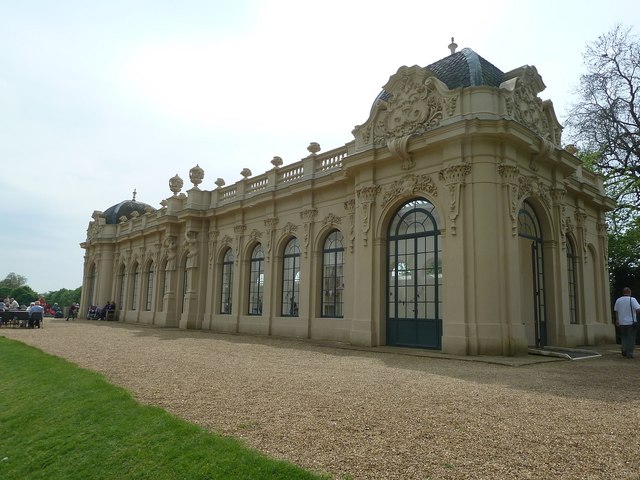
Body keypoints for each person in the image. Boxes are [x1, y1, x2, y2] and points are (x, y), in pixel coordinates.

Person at [614, 287, 640, 359]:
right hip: (631, 322)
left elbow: (616, 311)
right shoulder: (632, 299)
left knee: (624, 337)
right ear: (630, 292)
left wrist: (617, 320)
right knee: (631, 337)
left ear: (623, 292)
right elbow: (638, 309)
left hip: (622, 322)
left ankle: (624, 349)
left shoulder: (618, 300)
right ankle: (630, 353)